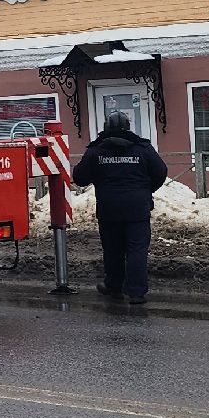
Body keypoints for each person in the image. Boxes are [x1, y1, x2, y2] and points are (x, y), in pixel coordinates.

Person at [71, 112, 168, 304]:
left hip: (109, 209)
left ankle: (114, 286)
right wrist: (145, 189)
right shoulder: (143, 148)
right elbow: (161, 171)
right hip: (137, 209)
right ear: (128, 127)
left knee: (113, 249)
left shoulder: (96, 151)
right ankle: (136, 293)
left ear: (106, 128)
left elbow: (80, 178)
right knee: (136, 250)